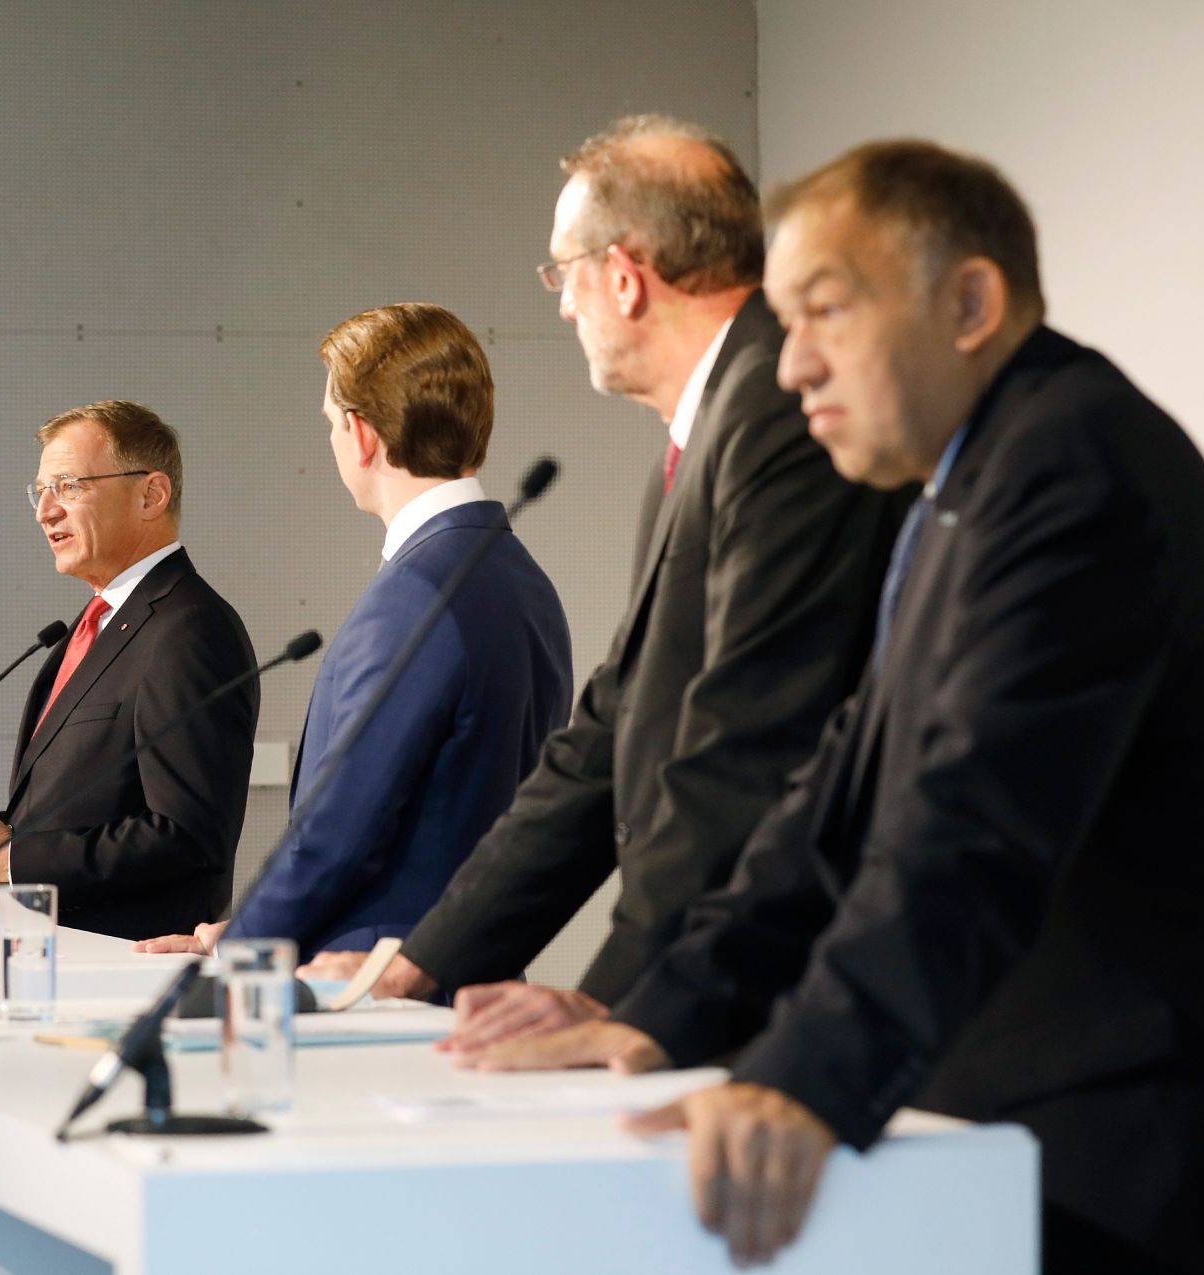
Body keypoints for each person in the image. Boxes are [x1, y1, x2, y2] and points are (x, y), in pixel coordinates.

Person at [463, 140, 1204, 1274]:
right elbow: (833, 808)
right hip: (1059, 1124)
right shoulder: (963, 488)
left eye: (823, 313)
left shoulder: (1070, 468)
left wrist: (805, 1076)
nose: (789, 368)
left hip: (1161, 1149)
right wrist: (651, 1015)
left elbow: (967, 826)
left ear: (968, 302)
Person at [307, 116, 902, 1031]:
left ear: (623, 278)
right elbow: (605, 741)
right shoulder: (710, 428)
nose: (559, 306)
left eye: (561, 274)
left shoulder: (774, 413)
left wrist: (611, 998)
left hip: (778, 990)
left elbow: (745, 750)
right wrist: (422, 962)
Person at [134, 304, 572, 961]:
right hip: (463, 973)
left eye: (331, 423)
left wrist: (245, 949)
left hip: (370, 990)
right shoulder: (526, 581)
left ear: (361, 435)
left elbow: (336, 833)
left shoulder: (414, 595)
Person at [0, 400, 259, 941]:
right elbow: (72, 819)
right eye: (40, 491)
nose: (44, 511)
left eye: (69, 486)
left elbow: (188, 835)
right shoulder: (92, 627)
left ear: (151, 494)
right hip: (53, 960)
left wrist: (7, 859)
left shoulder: (189, 628)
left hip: (130, 969)